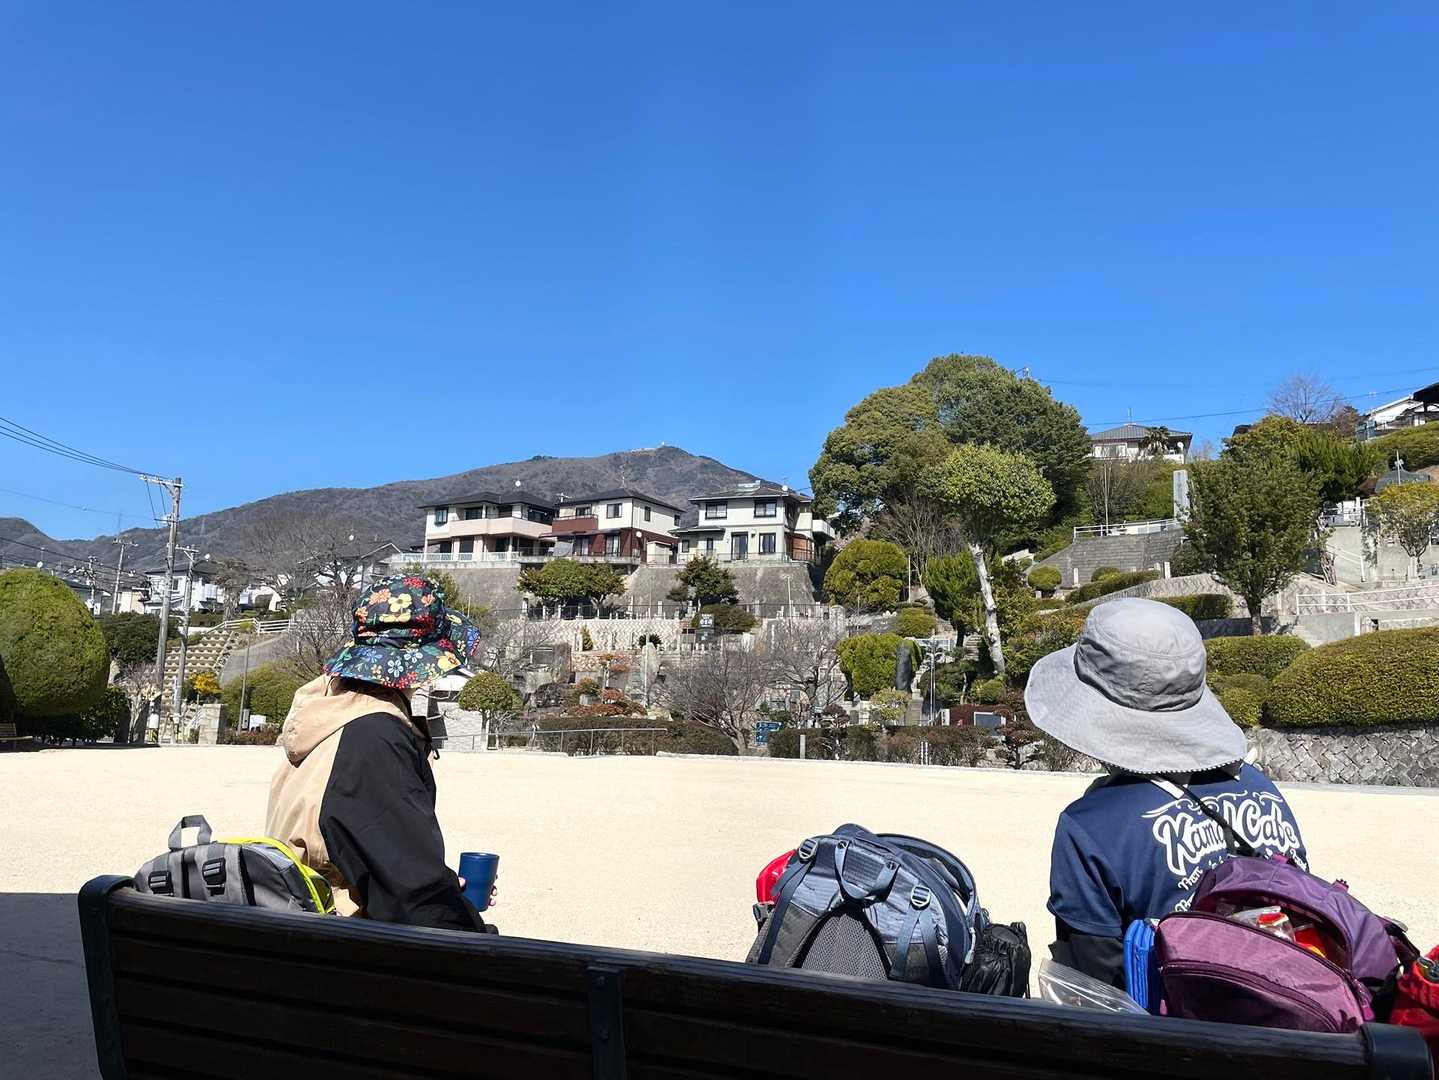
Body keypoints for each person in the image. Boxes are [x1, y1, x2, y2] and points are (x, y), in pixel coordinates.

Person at [1025, 597, 1306, 986]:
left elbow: (1093, 987)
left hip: (1170, 1022)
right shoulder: (1260, 787)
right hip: (1294, 1009)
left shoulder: (1090, 827)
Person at [266, 574, 493, 932]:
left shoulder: (326, 713)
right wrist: (479, 933)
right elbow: (415, 898)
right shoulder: (374, 735)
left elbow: (375, 853)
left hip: (298, 923)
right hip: (342, 939)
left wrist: (448, 886)